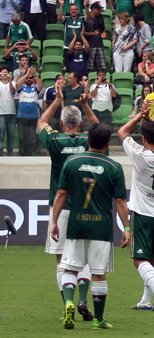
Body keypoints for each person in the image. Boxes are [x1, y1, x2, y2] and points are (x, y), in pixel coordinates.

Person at [48, 123, 131, 330]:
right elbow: (120, 201)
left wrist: (54, 222)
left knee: (70, 268)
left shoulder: (72, 162)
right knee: (98, 274)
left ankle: (68, 302)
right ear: (107, 143)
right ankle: (98, 319)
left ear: (89, 140)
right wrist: (127, 228)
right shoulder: (114, 167)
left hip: (76, 225)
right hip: (101, 229)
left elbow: (61, 194)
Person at [39, 78, 97, 321]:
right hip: (86, 208)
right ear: (80, 123)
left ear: (62, 124)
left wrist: (57, 101)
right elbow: (98, 127)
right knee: (82, 258)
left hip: (60, 209)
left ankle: (68, 304)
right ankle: (83, 300)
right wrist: (85, 105)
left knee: (61, 259)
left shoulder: (55, 140)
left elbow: (41, 122)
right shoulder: (87, 140)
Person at [117, 102, 154, 312]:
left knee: (139, 259)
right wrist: (151, 119)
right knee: (153, 258)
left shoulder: (140, 155)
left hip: (143, 212)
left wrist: (140, 115)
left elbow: (122, 131)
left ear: (143, 139)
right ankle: (146, 300)